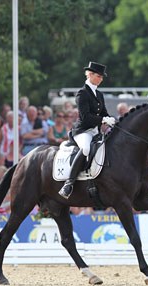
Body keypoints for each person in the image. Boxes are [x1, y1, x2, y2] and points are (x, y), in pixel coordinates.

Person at [58, 61, 116, 199]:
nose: (101, 79)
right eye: (99, 76)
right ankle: (69, 183)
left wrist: (111, 119)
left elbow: (104, 112)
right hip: (83, 131)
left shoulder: (99, 94)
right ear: (90, 74)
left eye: (102, 77)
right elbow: (85, 118)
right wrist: (102, 120)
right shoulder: (82, 93)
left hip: (96, 132)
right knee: (85, 149)